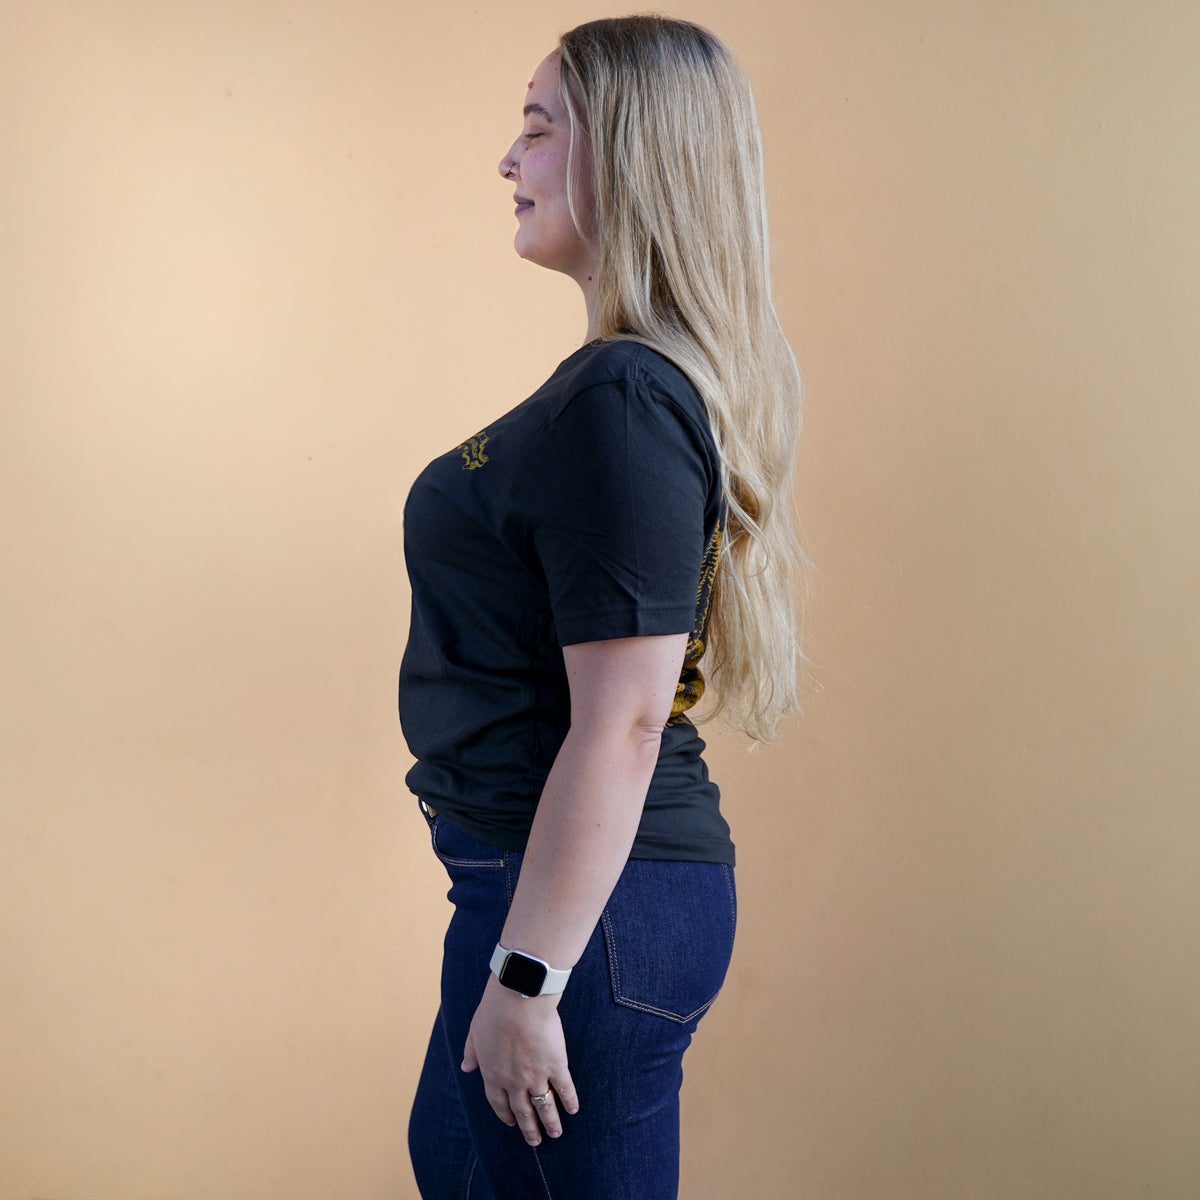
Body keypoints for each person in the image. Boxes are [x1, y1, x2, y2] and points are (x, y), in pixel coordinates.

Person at [400, 15, 811, 1199]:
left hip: (583, 912)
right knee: (456, 1166)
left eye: (539, 126)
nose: (508, 161)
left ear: (629, 155)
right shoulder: (626, 389)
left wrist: (530, 978)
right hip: (549, 890)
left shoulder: (625, 398)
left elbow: (627, 721)